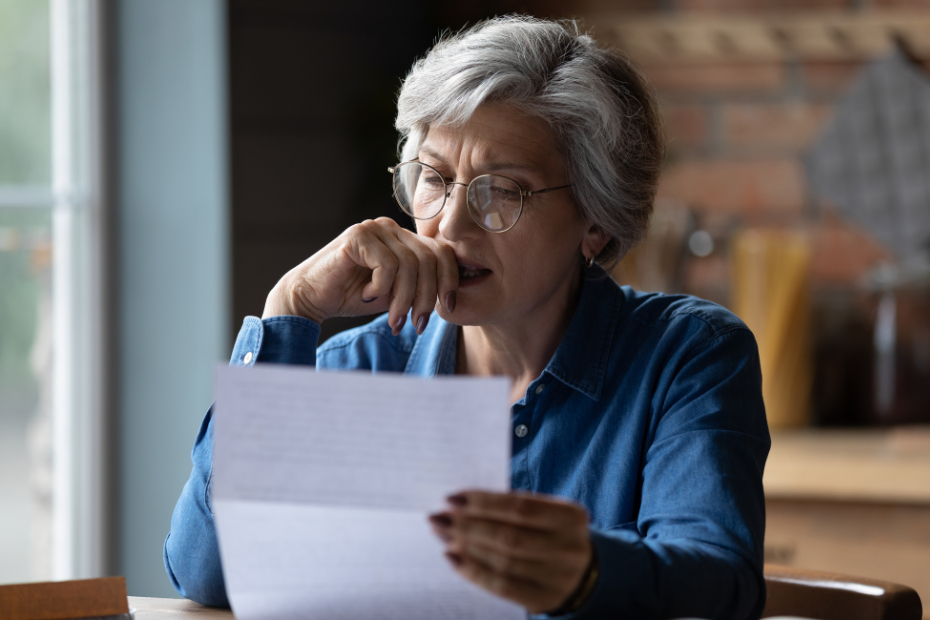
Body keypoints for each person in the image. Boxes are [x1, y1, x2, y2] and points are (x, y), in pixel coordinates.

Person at [164, 15, 769, 620]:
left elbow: (718, 584)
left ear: (597, 219)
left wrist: (586, 573)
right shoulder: (361, 367)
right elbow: (208, 574)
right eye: (433, 178)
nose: (450, 226)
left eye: (502, 190)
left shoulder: (688, 356)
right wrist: (289, 308)